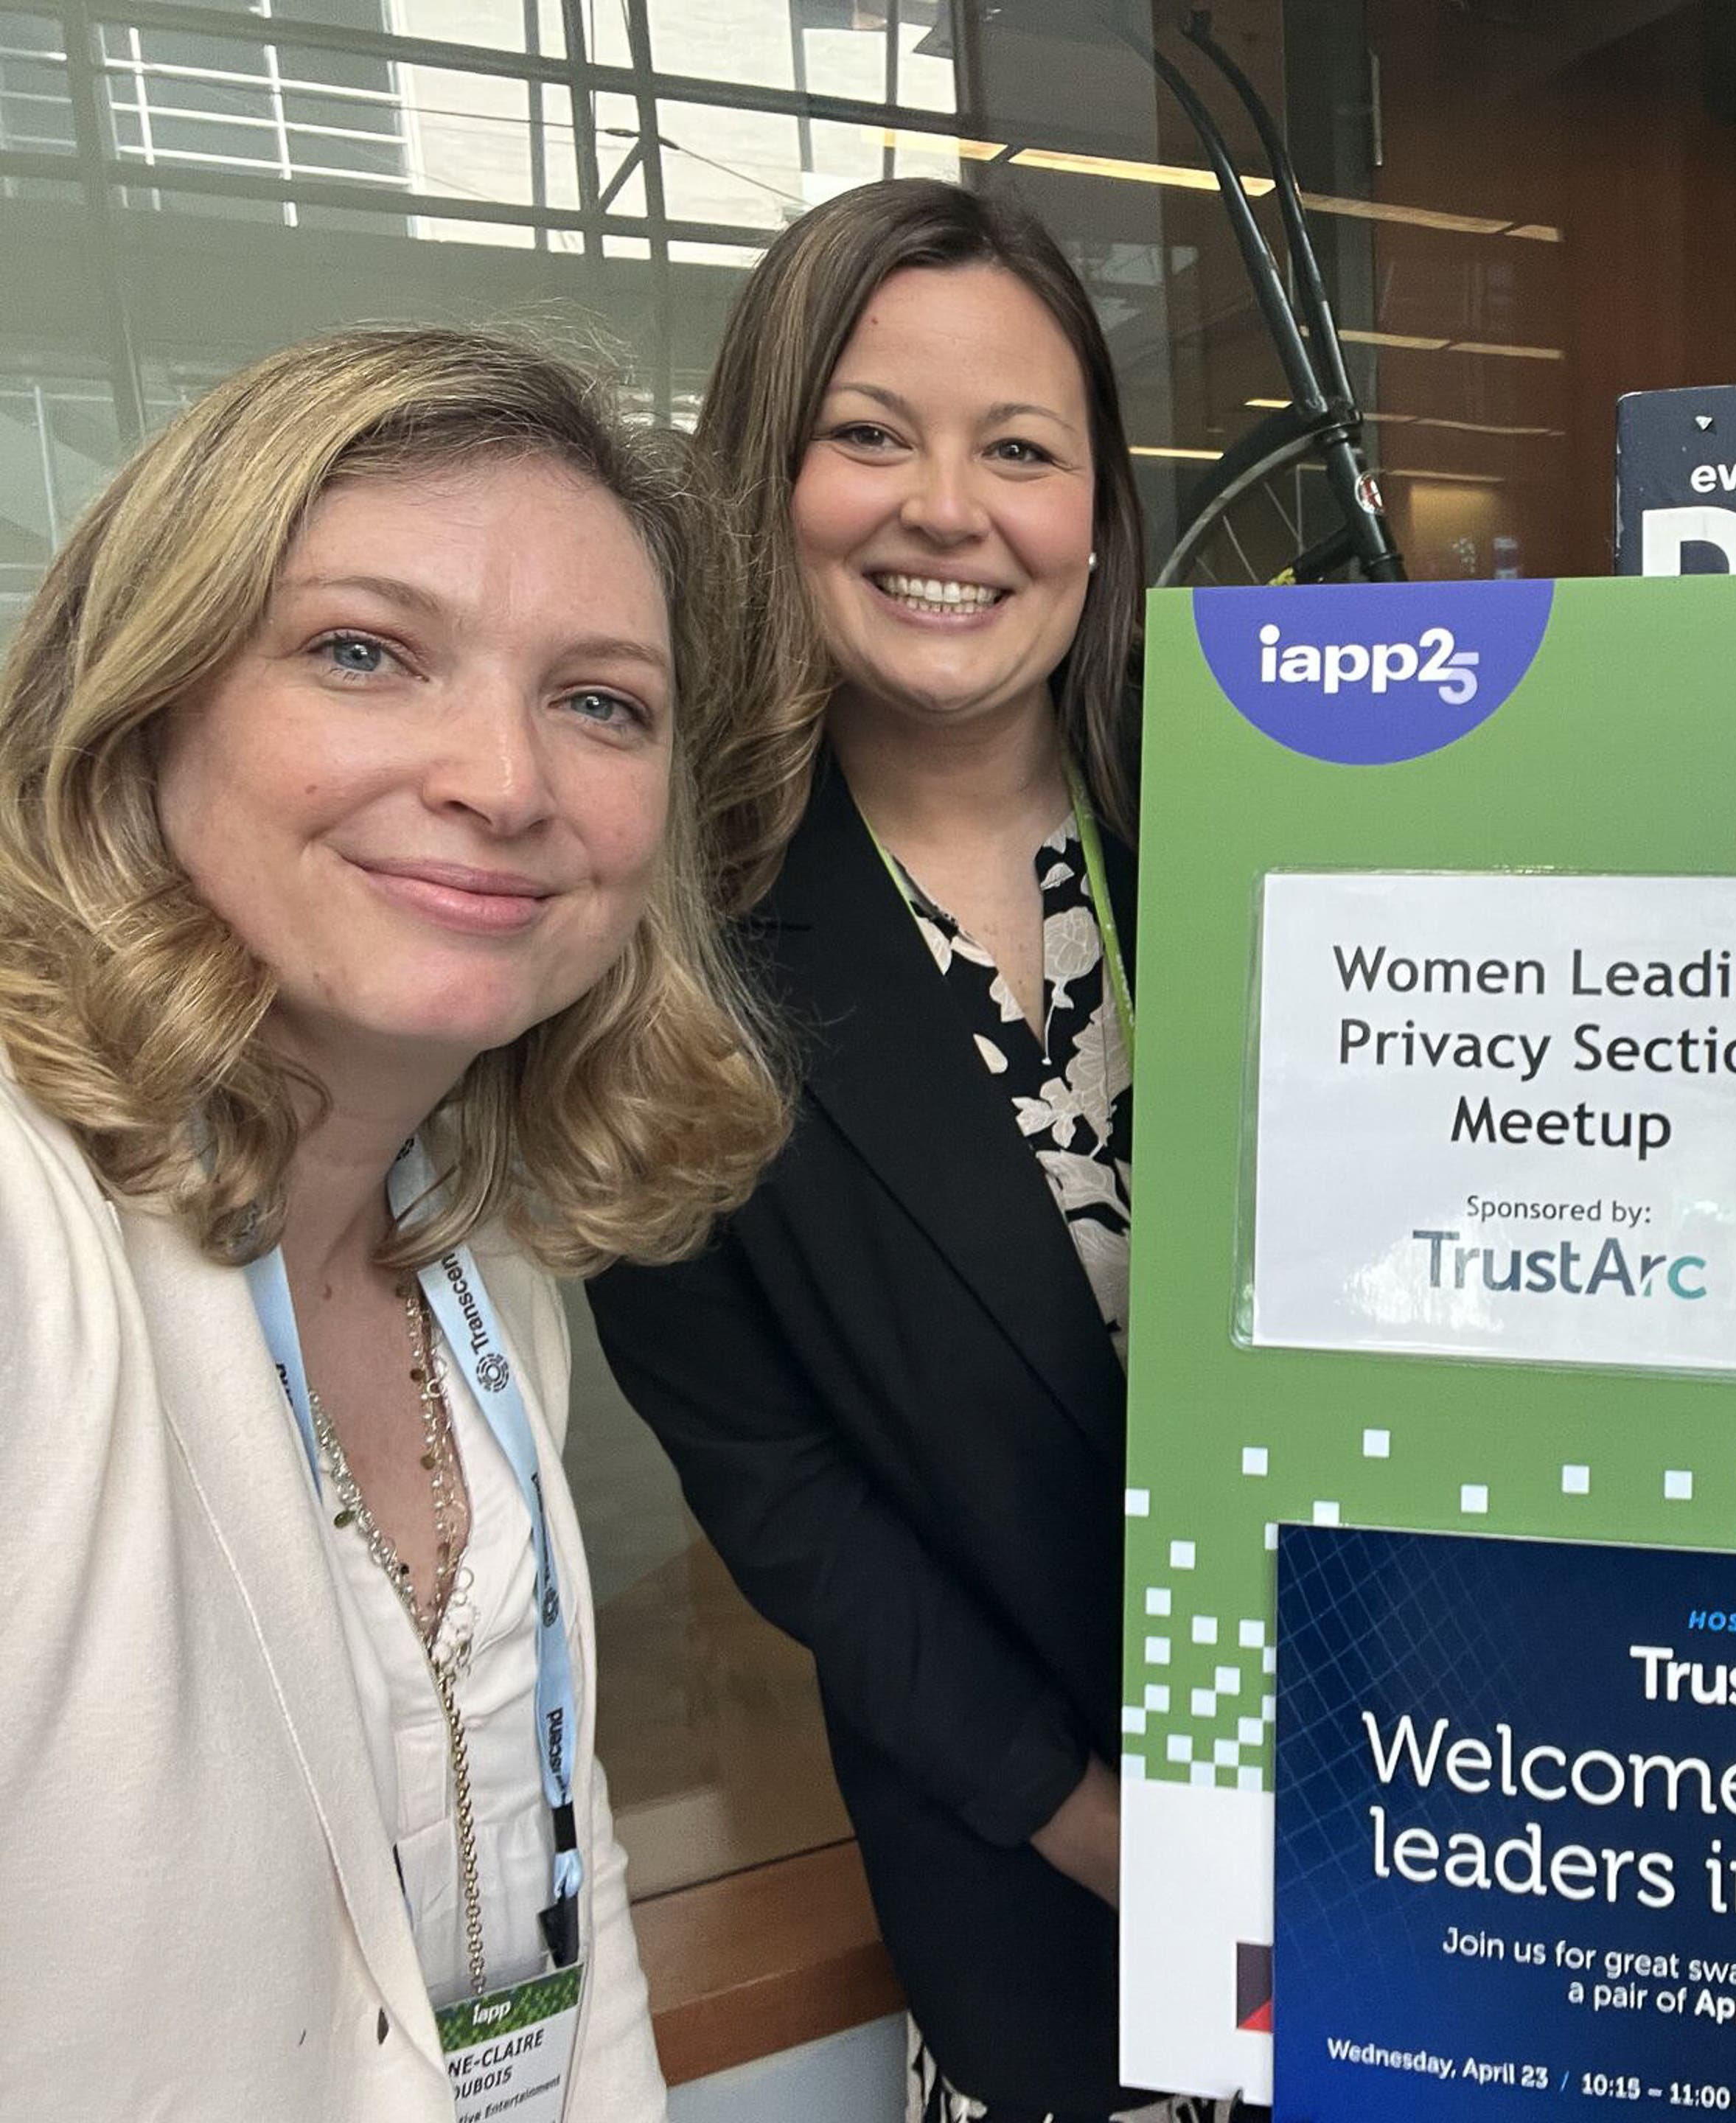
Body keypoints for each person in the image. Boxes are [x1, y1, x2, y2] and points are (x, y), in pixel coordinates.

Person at [0, 327, 788, 2118]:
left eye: (602, 702)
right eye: (364, 653)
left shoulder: (484, 1263)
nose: (504, 782)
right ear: (143, 703)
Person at [586, 180, 1155, 2123]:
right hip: (1054, 1903)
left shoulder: (1281, 817)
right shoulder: (666, 956)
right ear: (771, 480)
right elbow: (786, 1495)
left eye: (1021, 448)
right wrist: (1095, 1829)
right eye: (868, 436)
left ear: (1098, 511)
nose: (948, 506)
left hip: (1485, 1843)